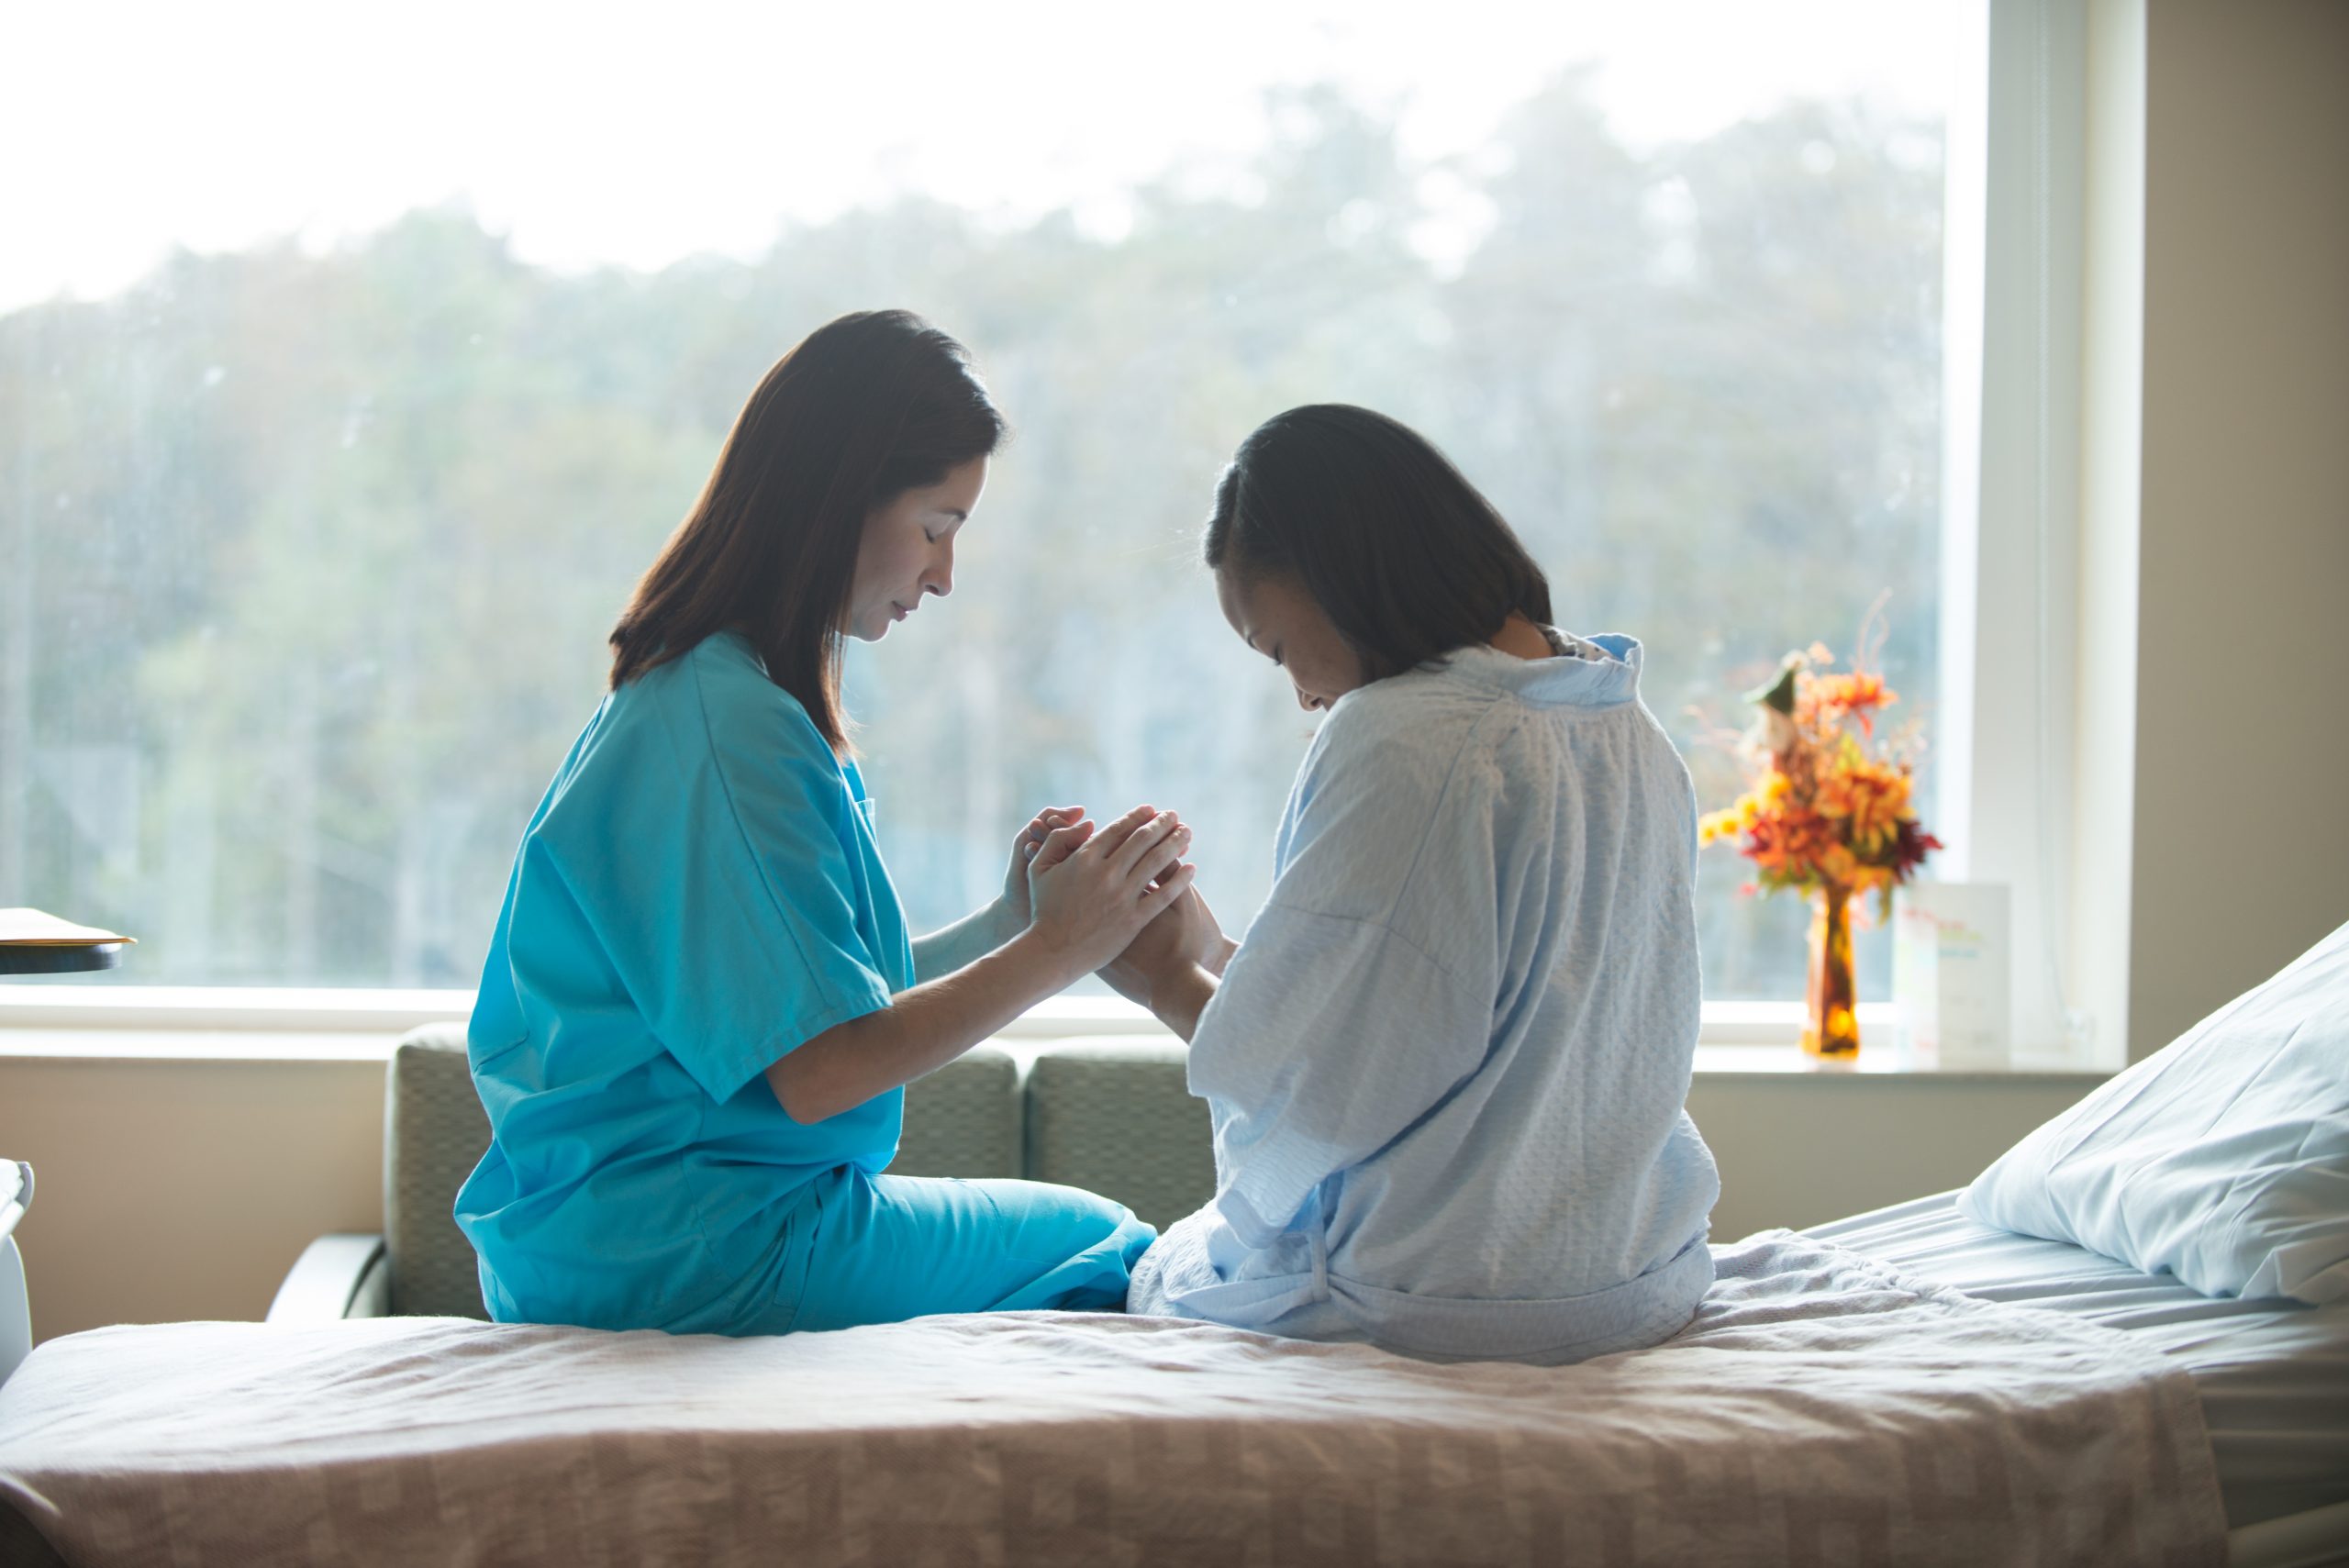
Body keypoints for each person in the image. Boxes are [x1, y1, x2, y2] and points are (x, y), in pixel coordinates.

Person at [454, 309, 1194, 1337]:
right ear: (841, 499)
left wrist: (1009, 923)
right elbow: (820, 1068)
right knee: (1109, 1249)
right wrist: (1065, 947)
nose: (943, 575)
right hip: (693, 1250)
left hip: (610, 1240)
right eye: (936, 528)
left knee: (1092, 1242)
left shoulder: (702, 699)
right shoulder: (734, 732)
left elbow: (799, 999)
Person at [1113, 404, 1720, 1365]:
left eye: (1275, 648)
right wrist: (1228, 957)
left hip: (1449, 1294)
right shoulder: (1628, 734)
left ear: (1338, 574)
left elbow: (1326, 1092)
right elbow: (1469, 1008)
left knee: (1142, 1268)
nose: (1305, 694)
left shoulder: (1406, 733)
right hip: (1633, 1274)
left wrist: (1162, 978)